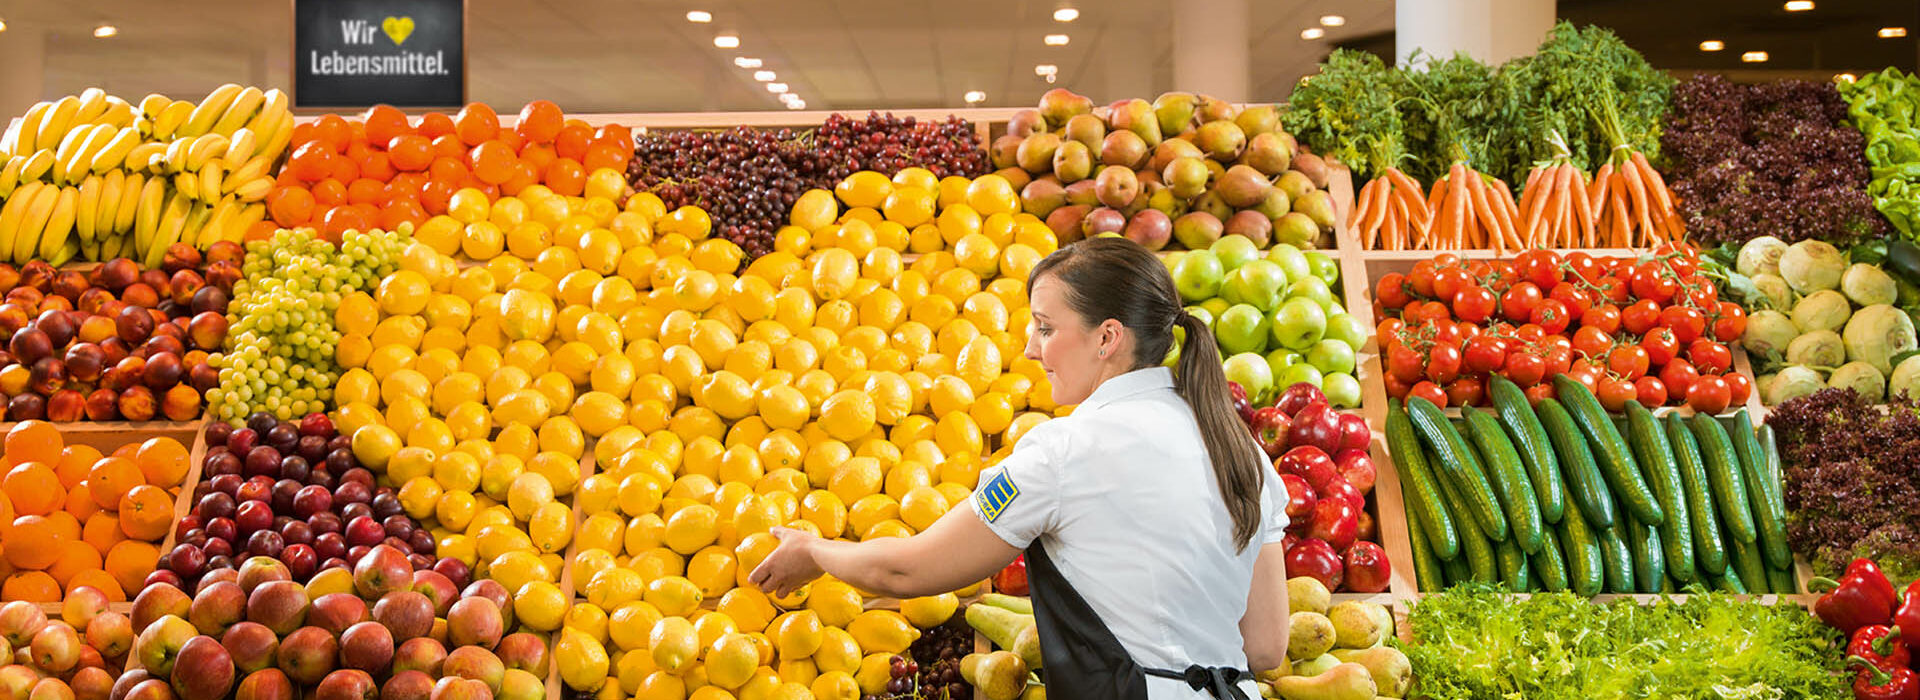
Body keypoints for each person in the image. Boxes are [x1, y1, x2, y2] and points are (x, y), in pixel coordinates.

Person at [749, 236, 1291, 699]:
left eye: (1045, 328)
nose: (1031, 349)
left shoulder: (1063, 452)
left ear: (1107, 337)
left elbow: (906, 572)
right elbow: (1266, 646)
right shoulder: (1242, 451)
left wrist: (814, 550)